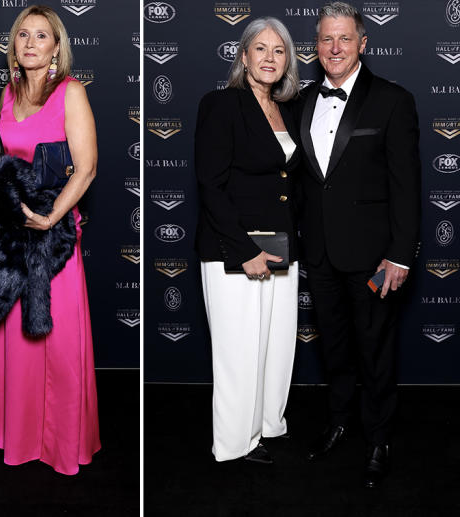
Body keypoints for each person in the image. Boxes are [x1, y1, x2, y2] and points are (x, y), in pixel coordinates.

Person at [297, 2, 420, 488]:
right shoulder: (303, 99)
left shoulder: (393, 100)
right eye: (326, 39)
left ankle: (378, 438)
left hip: (374, 255)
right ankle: (339, 420)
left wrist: (399, 252)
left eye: (344, 38)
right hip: (320, 253)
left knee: (376, 349)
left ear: (363, 43)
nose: (335, 48)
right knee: (335, 348)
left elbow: (407, 186)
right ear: (317, 45)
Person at [0, 5, 100, 476]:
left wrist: (49, 218)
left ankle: (60, 443)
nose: (31, 43)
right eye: (23, 34)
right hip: (11, 236)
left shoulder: (71, 93)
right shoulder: (5, 96)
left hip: (54, 237)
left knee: (59, 341)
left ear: (56, 47)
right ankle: (17, 435)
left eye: (41, 36)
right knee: (16, 342)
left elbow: (86, 166)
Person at [193, 17, 302, 464]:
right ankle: (235, 444)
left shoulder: (290, 110)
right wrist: (244, 251)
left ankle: (268, 427)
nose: (270, 58)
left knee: (277, 345)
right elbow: (210, 185)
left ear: (288, 61)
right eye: (261, 49)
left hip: (282, 246)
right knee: (239, 349)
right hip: (234, 250)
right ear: (243, 56)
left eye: (279, 51)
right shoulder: (221, 104)